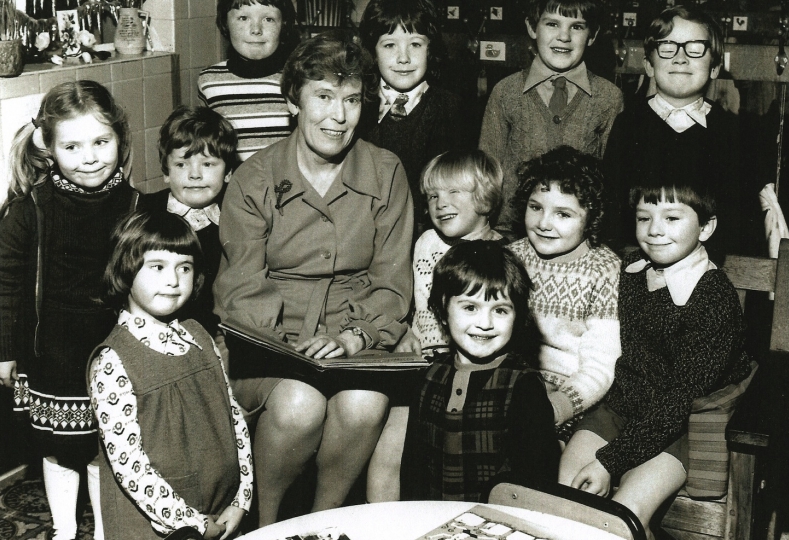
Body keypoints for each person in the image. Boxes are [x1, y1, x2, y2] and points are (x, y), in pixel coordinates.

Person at [213, 30, 414, 526]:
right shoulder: (254, 178)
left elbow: (392, 280)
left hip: (353, 337)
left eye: (351, 100)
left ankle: (320, 523)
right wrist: (291, 353)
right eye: (323, 97)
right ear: (293, 102)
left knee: (365, 404)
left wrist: (355, 337)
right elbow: (240, 285)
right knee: (300, 404)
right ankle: (265, 524)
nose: (338, 116)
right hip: (270, 345)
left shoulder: (386, 171)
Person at [559, 181, 756, 540]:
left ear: (706, 227)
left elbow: (679, 400)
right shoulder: (631, 268)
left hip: (683, 423)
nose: (654, 229)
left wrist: (610, 462)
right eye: (644, 217)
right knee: (566, 494)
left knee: (621, 517)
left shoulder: (714, 298)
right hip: (624, 404)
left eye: (672, 218)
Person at [0, 80, 136, 540]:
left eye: (101, 142)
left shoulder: (134, 203)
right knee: (59, 448)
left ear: (120, 139)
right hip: (53, 352)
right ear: (49, 149)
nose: (89, 157)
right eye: (72, 147)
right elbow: (6, 283)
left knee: (108, 447)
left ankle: (109, 531)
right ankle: (64, 529)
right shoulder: (31, 208)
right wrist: (2, 351)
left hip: (115, 349)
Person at [89, 211, 254, 540]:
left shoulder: (200, 336)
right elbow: (129, 465)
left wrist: (242, 498)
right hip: (157, 526)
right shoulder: (112, 361)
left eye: (185, 267)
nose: (174, 280)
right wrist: (192, 523)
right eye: (157, 266)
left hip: (222, 509)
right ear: (125, 269)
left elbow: (234, 418)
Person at [367, 149, 505, 502]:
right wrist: (404, 332)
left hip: (476, 369)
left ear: (485, 198)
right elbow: (416, 303)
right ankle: (380, 517)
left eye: (454, 192)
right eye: (432, 196)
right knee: (393, 442)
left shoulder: (503, 253)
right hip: (422, 364)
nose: (441, 203)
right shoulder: (427, 243)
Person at [402, 240, 560, 501]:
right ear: (443, 308)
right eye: (470, 308)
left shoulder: (524, 386)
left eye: (500, 310)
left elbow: (536, 483)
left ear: (518, 316)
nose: (485, 323)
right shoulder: (427, 377)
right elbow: (413, 470)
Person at [603, 5, 761, 259]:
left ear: (714, 67)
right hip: (634, 264)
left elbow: (742, 223)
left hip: (710, 268)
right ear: (649, 65)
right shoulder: (628, 124)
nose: (680, 58)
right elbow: (611, 213)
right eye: (667, 47)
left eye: (695, 48)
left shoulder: (732, 131)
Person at [479, 0, 623, 237]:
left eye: (577, 27)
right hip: (509, 235)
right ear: (532, 27)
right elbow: (486, 175)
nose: (564, 37)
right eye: (552, 24)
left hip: (579, 238)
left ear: (592, 35)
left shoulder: (609, 97)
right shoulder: (505, 91)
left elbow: (611, 184)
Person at [507, 146, 621, 443]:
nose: (544, 223)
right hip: (514, 386)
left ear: (591, 217)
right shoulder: (510, 258)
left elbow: (600, 368)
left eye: (563, 214)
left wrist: (554, 407)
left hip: (577, 398)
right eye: (536, 207)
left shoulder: (604, 269)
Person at [358, 0, 464, 236]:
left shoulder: (449, 108)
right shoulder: (358, 105)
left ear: (430, 49)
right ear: (373, 51)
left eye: (415, 44)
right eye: (389, 45)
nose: (403, 58)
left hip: (429, 234)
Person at [136, 105, 240, 338]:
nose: (195, 175)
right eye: (181, 164)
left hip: (212, 336)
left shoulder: (235, 218)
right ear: (166, 172)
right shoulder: (144, 212)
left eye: (208, 164)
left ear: (228, 172)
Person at [198, 0, 300, 161]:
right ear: (225, 22)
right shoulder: (209, 81)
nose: (256, 30)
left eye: (268, 19)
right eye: (243, 18)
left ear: (284, 24)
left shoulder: (296, 79)